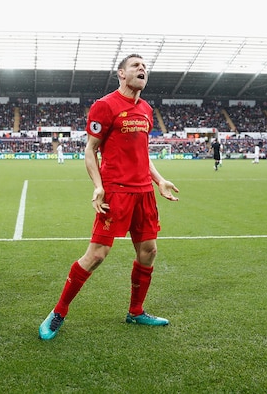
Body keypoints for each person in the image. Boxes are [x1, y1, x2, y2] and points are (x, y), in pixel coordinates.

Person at [38, 54, 179, 341]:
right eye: (136, 66)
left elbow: (143, 154)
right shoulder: (105, 106)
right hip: (116, 192)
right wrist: (98, 185)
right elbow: (91, 150)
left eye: (145, 67)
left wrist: (159, 179)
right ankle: (58, 313)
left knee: (149, 251)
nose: (142, 70)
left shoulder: (147, 110)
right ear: (121, 74)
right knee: (97, 255)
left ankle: (136, 311)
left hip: (144, 193)